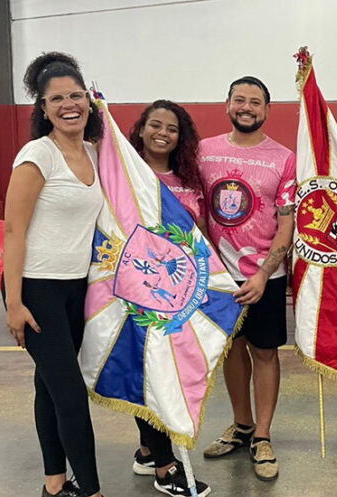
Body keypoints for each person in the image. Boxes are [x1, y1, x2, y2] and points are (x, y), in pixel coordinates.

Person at [3, 52, 105, 497]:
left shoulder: (94, 152)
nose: (69, 104)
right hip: (38, 291)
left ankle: (53, 484)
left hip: (77, 289)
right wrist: (13, 303)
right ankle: (93, 491)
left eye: (76, 95)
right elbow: (12, 232)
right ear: (42, 108)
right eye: (57, 98)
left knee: (48, 386)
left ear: (89, 100)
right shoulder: (36, 155)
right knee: (70, 396)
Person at [199, 76, 295, 482]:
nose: (247, 107)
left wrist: (264, 273)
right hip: (217, 277)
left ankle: (262, 435)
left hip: (265, 277)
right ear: (227, 105)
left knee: (265, 353)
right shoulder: (203, 151)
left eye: (255, 102)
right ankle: (241, 425)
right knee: (231, 352)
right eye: (240, 100)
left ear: (267, 110)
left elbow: (287, 223)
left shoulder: (284, 158)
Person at [127, 100, 211, 496]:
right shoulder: (124, 176)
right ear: (141, 129)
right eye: (155, 125)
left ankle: (148, 450)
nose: (163, 133)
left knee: (168, 377)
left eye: (172, 128)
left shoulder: (189, 180)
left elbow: (199, 241)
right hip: (135, 294)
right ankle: (165, 466)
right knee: (151, 378)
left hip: (179, 297)